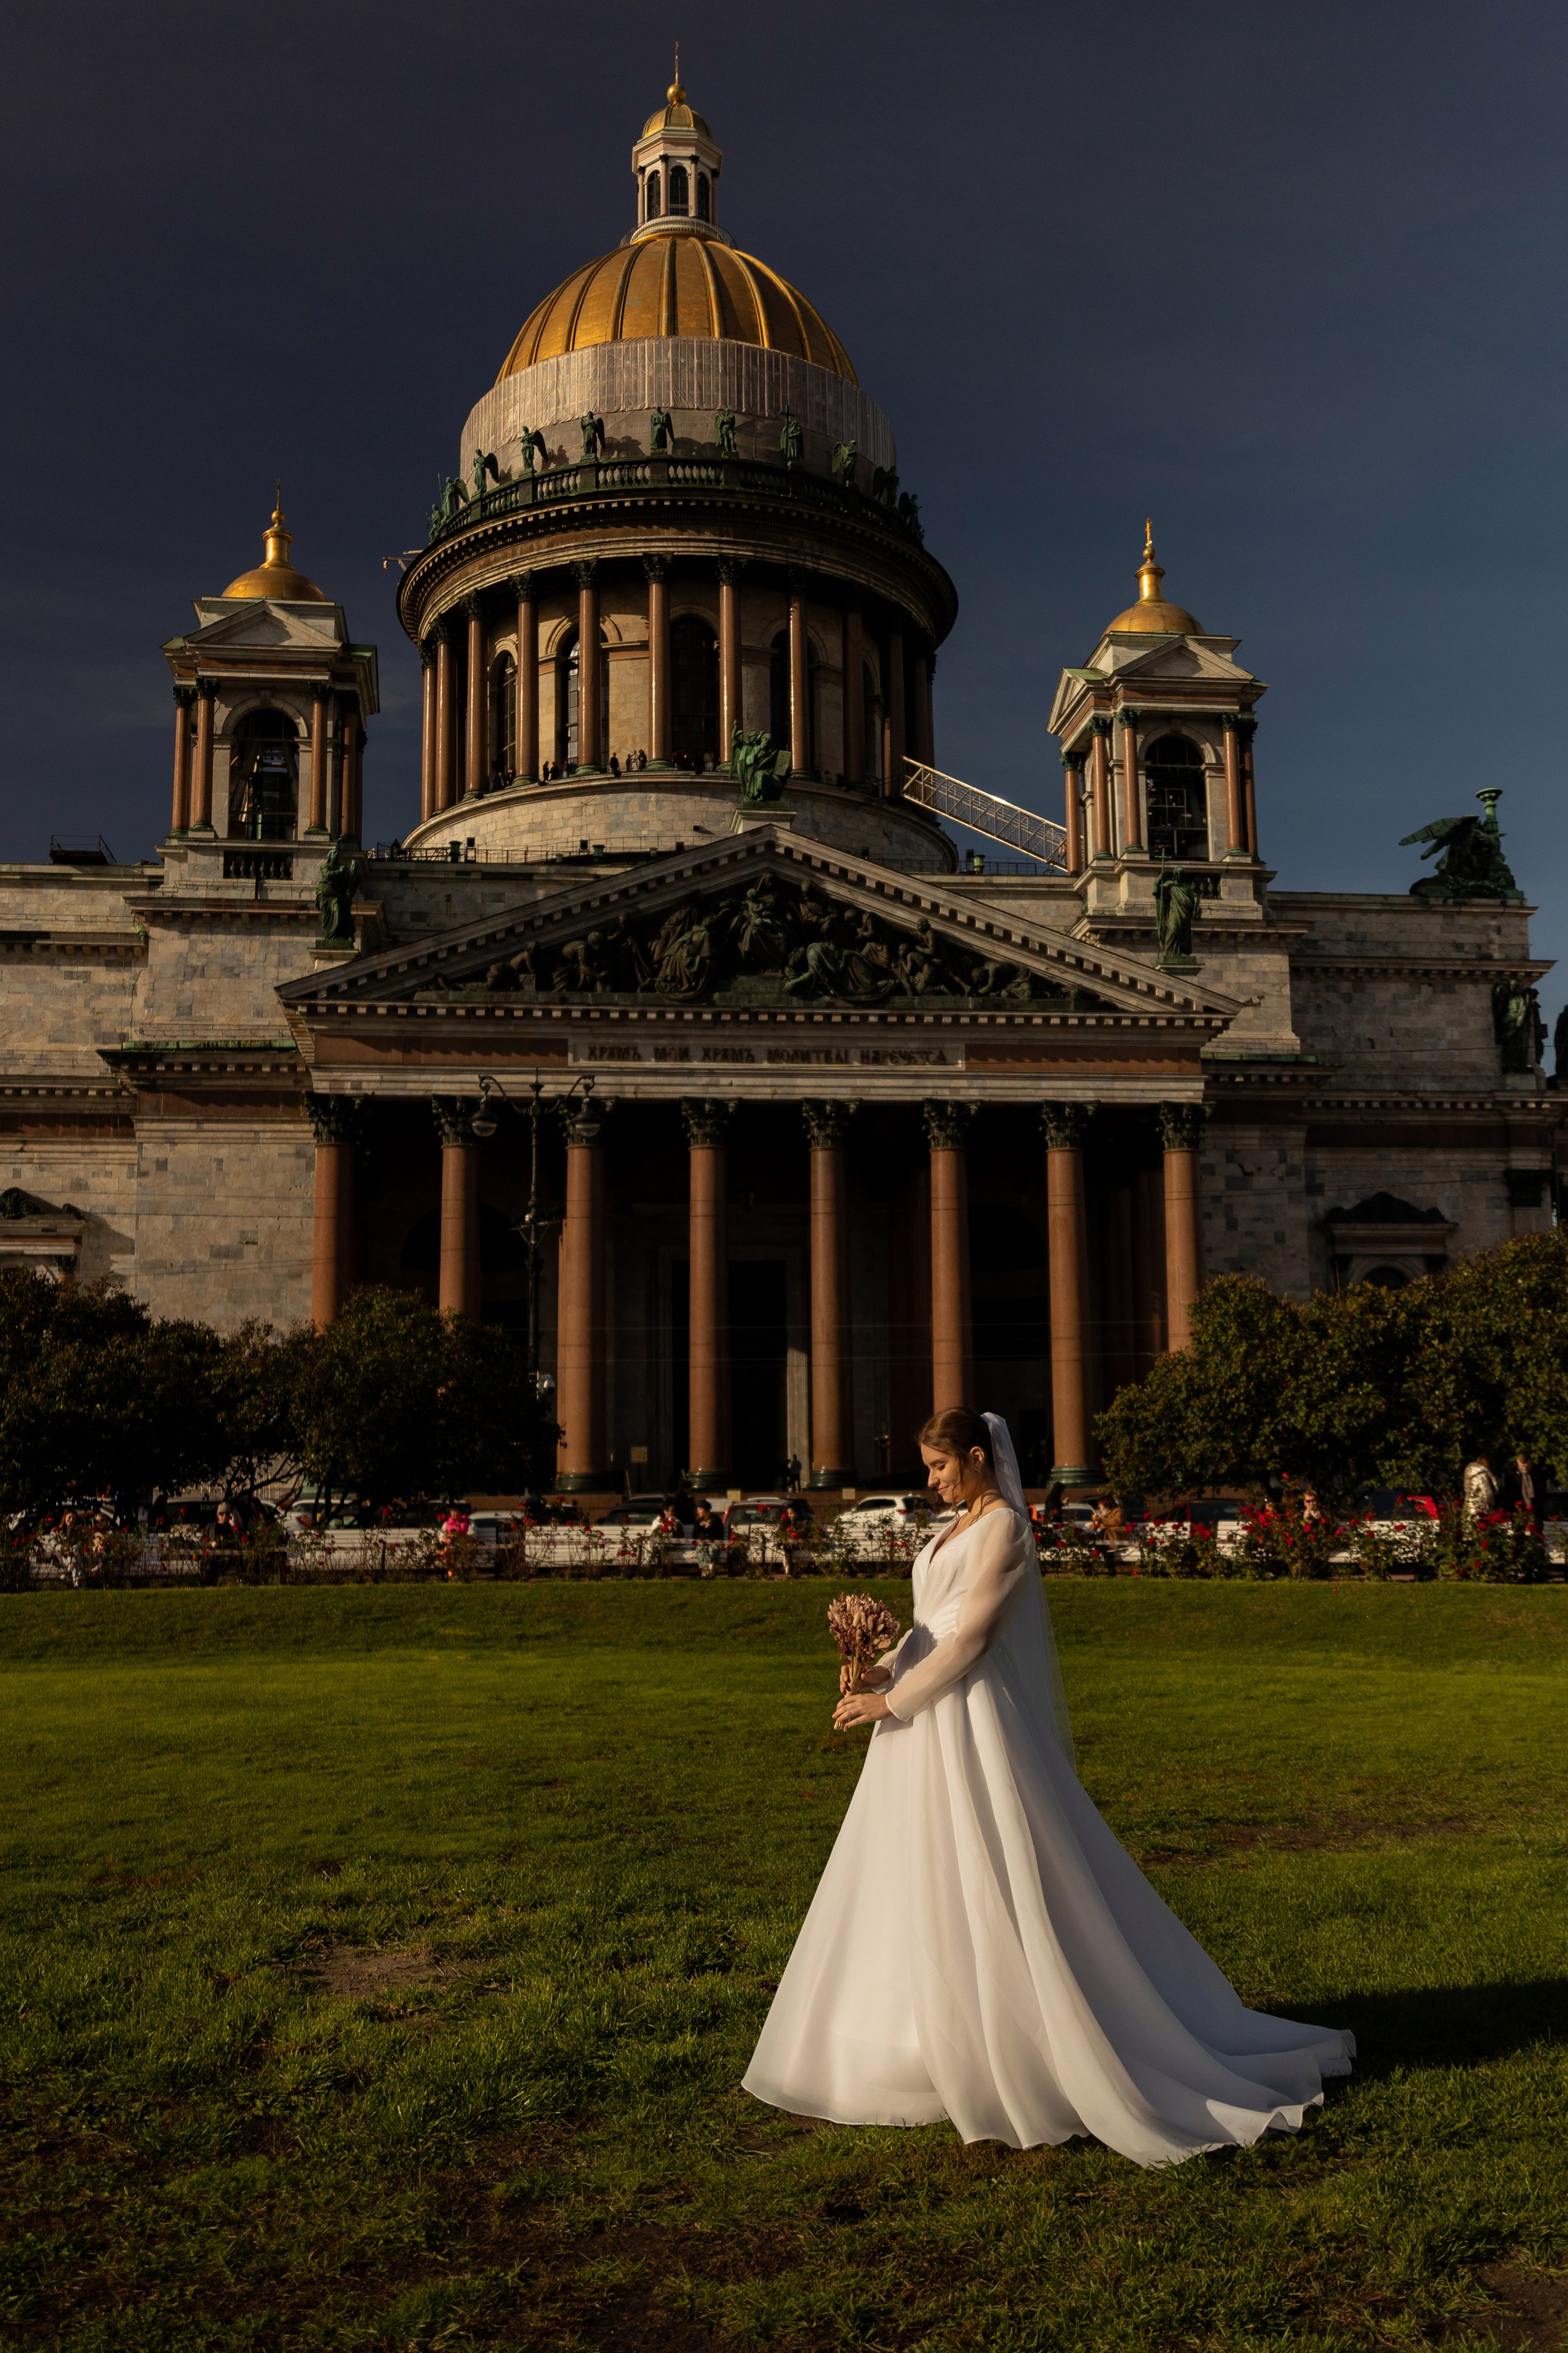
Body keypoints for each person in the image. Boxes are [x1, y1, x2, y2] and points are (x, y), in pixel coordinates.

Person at [742, 1405, 1354, 2166]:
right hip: (921, 1712)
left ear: (976, 1456)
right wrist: (879, 1670)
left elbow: (972, 1638)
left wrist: (892, 1703)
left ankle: (1024, 2036)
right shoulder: (952, 1528)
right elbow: (931, 1629)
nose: (932, 1482)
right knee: (911, 1867)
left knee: (989, 1862)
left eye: (940, 1466)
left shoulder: (1004, 1527)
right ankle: (910, 2037)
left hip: (967, 1714)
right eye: (928, 1469)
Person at [1462, 1454, 1498, 1522]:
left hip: (1468, 1506)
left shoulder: (1469, 1474)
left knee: (1469, 1525)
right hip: (1480, 1508)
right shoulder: (1481, 1475)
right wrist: (1491, 1504)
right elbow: (1488, 1494)